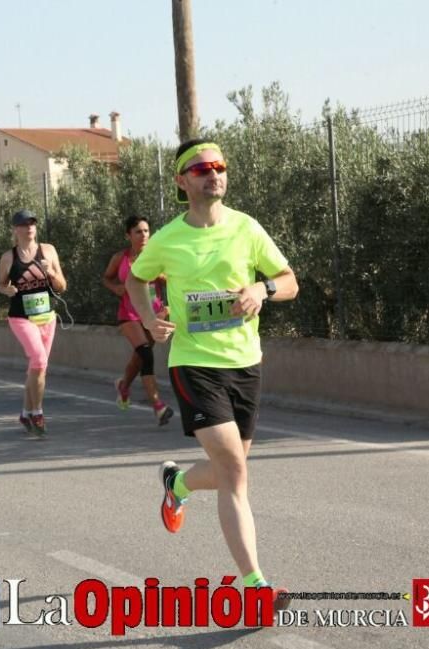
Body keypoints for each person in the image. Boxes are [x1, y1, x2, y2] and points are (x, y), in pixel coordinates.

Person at [126, 138, 299, 605]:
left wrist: (263, 290)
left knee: (230, 472)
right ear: (183, 181)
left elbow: (289, 282)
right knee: (235, 471)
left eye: (219, 166)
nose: (213, 174)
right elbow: (135, 278)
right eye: (201, 168)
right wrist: (147, 318)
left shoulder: (246, 228)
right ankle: (256, 587)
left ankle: (177, 484)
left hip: (246, 362)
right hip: (195, 363)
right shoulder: (166, 239)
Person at [0, 210, 67, 437]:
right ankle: (37, 412)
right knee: (38, 359)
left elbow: (61, 286)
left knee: (38, 368)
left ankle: (25, 413)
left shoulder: (48, 251)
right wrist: (6, 290)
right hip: (21, 317)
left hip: (47, 316)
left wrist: (51, 273)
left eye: (32, 223)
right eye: (24, 224)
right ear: (15, 229)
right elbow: (0, 284)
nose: (29, 228)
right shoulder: (9, 257)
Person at [102, 215, 174, 426]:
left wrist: (164, 281)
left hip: (153, 315)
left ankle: (124, 386)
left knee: (139, 357)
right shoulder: (120, 258)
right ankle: (158, 406)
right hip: (129, 314)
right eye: (138, 231)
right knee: (145, 352)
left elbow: (175, 280)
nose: (143, 235)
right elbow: (106, 278)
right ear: (128, 235)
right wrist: (115, 287)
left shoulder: (157, 257)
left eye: (146, 231)